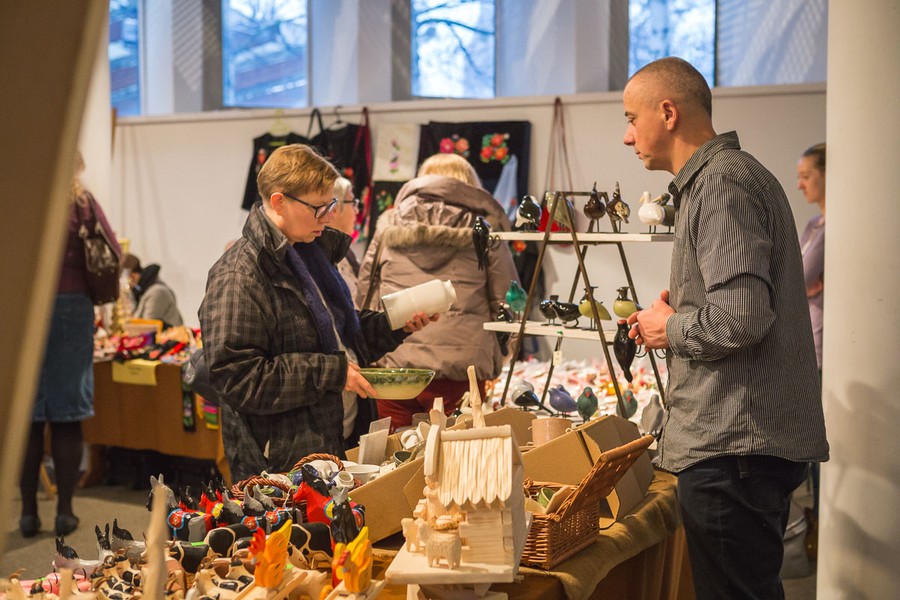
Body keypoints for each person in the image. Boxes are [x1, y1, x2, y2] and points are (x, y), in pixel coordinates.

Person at [622, 57, 828, 599]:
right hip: (741, 448)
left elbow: (741, 318)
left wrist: (669, 328)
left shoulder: (720, 183)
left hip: (735, 447)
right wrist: (682, 309)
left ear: (668, 113)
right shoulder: (723, 179)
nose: (627, 136)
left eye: (632, 119)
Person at [199, 144, 436, 481]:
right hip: (285, 463)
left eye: (331, 205)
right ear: (279, 202)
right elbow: (238, 377)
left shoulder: (310, 255)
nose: (328, 217)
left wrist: (395, 324)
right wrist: (331, 373)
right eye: (318, 207)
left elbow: (344, 342)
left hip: (336, 441)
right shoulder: (239, 275)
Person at [356, 153, 519, 431]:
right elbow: (508, 301)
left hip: (395, 368)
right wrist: (502, 355)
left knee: (393, 453)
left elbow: (366, 291)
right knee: (458, 451)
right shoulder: (485, 231)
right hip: (462, 369)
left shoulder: (389, 223)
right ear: (469, 186)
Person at [19, 152, 122, 537]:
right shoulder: (82, 204)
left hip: (25, 310)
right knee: (67, 417)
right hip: (71, 310)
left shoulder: (20, 200)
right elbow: (114, 251)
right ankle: (64, 511)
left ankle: (27, 514)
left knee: (28, 417)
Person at [796, 141, 826, 546]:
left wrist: (805, 285)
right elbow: (796, 279)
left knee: (820, 439)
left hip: (824, 345)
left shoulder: (835, 227)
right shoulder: (813, 226)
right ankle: (816, 521)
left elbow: (798, 279)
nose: (800, 184)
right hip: (809, 338)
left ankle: (819, 526)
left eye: (806, 176)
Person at [121, 253, 184, 328]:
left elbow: (148, 327)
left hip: (168, 335)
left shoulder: (157, 292)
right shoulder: (142, 291)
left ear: (132, 276)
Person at [332, 176, 361, 302]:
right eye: (353, 203)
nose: (357, 210)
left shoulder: (344, 249)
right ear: (335, 208)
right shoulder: (322, 254)